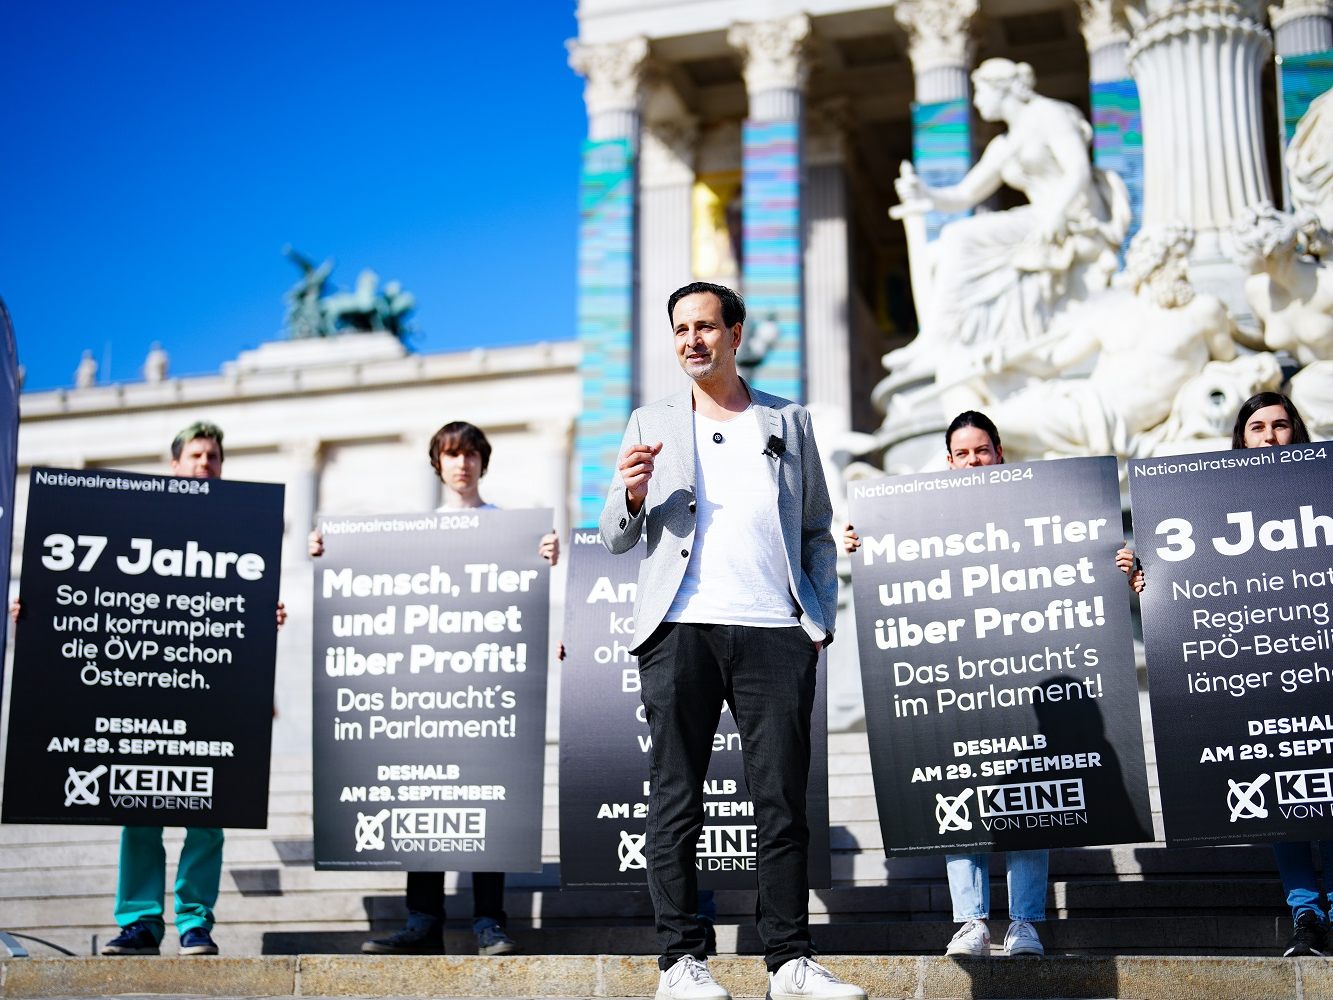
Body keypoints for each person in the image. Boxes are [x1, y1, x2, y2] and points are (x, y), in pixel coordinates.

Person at [600, 281, 864, 1000]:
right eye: (680, 328)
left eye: (705, 327)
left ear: (735, 333)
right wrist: (627, 494)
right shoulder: (647, 420)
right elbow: (614, 538)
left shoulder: (788, 419)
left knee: (780, 801)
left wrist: (816, 617)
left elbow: (815, 527)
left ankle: (789, 963)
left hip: (774, 631)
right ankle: (681, 962)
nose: (691, 340)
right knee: (675, 799)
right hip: (679, 628)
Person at [844, 411, 1143, 958]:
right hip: (955, 677)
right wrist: (865, 544)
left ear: (999, 453)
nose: (973, 461)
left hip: (1024, 672)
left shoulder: (1035, 508)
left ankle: (1025, 922)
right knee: (958, 784)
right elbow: (896, 568)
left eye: (982, 450)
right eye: (962, 453)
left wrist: (1116, 558)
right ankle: (971, 921)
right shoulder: (926, 518)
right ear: (949, 460)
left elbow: (1076, 558)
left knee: (1030, 799)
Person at [14, 422, 287, 956]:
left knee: (208, 814)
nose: (205, 463)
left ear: (222, 467)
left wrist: (264, 617)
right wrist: (38, 610)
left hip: (209, 691)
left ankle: (195, 922)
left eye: (213, 456)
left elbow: (245, 603)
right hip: (145, 688)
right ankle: (140, 921)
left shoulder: (239, 528)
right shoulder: (138, 520)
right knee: (139, 808)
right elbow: (89, 581)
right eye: (195, 455)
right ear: (175, 465)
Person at [309, 420, 557, 956]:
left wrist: (547, 557)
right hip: (428, 692)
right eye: (451, 454)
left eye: (470, 454)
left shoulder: (513, 530)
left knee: (492, 802)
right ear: (438, 464)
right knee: (423, 794)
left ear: (482, 462)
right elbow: (366, 578)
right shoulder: (417, 532)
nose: (461, 463)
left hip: (489, 690)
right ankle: (423, 919)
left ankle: (490, 919)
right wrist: (328, 551)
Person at [888, 59, 1128, 376]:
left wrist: (1055, 214)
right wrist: (923, 193)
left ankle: (937, 340)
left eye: (979, 92)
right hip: (1038, 220)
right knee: (938, 252)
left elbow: (1078, 170)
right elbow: (964, 195)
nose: (975, 101)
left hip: (1072, 222)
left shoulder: (1048, 115)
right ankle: (943, 338)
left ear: (999, 90)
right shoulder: (1004, 144)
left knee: (959, 238)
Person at [1230, 393, 1329, 956]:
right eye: (1257, 427)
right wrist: (1146, 579)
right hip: (1259, 670)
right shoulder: (1209, 501)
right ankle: (1306, 915)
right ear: (1240, 438)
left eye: (1281, 425)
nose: (1269, 436)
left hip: (1320, 658)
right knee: (1284, 800)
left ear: (1297, 432)